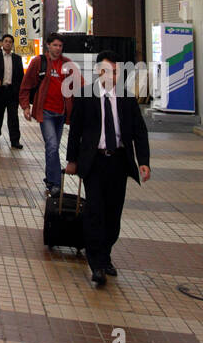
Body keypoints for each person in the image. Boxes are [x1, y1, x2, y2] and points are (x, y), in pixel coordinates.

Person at [65, 50, 151, 287]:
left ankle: (105, 254)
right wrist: (72, 160)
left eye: (114, 72)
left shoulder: (125, 97)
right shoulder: (85, 96)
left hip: (119, 161)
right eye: (105, 71)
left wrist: (143, 161)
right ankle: (97, 264)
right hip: (94, 162)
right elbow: (76, 130)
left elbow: (139, 131)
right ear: (97, 72)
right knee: (95, 212)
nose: (110, 76)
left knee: (113, 214)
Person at [19, 32, 81, 196]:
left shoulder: (67, 64)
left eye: (60, 46)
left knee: (52, 148)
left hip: (61, 113)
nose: (58, 48)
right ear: (48, 45)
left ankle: (50, 180)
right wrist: (25, 106)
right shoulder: (39, 62)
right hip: (45, 112)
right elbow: (25, 86)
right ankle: (56, 183)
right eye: (55, 45)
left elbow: (80, 84)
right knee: (52, 146)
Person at [0, 33, 24, 149]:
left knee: (13, 117)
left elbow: (20, 75)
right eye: (6, 41)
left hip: (12, 92)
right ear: (2, 43)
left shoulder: (17, 59)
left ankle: (15, 140)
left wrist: (19, 90)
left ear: (12, 44)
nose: (8, 43)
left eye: (10, 42)